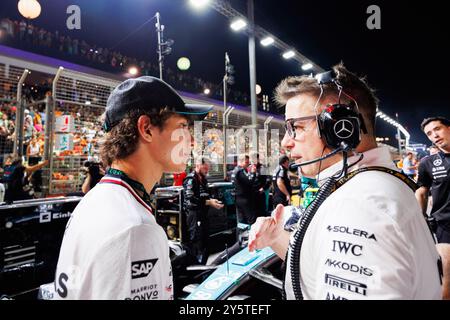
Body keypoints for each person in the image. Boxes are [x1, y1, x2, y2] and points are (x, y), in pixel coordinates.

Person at [248, 64, 442, 299]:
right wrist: (277, 238)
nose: (286, 143)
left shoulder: (359, 205)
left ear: (341, 128)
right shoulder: (368, 186)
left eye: (296, 127)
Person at [54, 76, 212, 300]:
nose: (191, 140)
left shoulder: (97, 199)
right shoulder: (134, 228)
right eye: (182, 127)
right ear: (146, 128)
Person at [182, 158, 224, 264]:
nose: (206, 170)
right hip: (194, 215)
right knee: (196, 242)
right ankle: (195, 267)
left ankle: (203, 266)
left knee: (206, 242)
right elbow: (191, 199)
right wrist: (209, 202)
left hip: (203, 214)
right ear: (198, 165)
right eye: (205, 167)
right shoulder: (191, 179)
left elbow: (205, 196)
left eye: (208, 168)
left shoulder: (204, 179)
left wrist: (211, 201)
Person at [416, 117, 450, 244]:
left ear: (448, 129)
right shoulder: (427, 162)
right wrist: (421, 218)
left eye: (437, 129)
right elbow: (422, 192)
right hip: (445, 226)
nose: (434, 135)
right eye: (429, 133)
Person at [231, 155, 258, 225]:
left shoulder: (235, 171)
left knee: (241, 221)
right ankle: (250, 235)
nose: (248, 164)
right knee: (251, 220)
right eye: (246, 162)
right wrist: (253, 173)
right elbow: (249, 182)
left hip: (238, 198)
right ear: (240, 161)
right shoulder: (240, 171)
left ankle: (242, 235)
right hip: (244, 199)